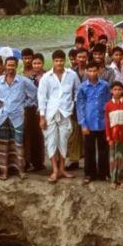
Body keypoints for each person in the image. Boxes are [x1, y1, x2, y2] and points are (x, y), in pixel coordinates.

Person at [0, 57, 34, 180]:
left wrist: (23, 105)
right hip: (2, 117)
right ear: (5, 66)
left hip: (17, 117)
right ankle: (4, 170)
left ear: (16, 66)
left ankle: (20, 170)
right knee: (2, 144)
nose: (10, 68)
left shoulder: (23, 81)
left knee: (18, 143)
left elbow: (34, 95)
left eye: (13, 65)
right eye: (8, 65)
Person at [38, 50, 81, 184]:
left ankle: (62, 168)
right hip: (50, 113)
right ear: (53, 61)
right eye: (56, 61)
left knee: (63, 141)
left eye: (61, 60)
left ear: (65, 61)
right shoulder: (46, 77)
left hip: (66, 112)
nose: (59, 63)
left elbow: (78, 91)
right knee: (51, 141)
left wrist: (72, 104)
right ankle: (55, 170)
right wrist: (42, 117)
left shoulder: (72, 75)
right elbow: (42, 97)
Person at [75, 61, 111, 183]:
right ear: (86, 71)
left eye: (94, 70)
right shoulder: (82, 87)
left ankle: (104, 173)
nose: (92, 73)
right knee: (89, 149)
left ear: (99, 71)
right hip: (89, 123)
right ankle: (89, 173)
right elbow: (80, 106)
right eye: (89, 71)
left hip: (102, 122)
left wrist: (108, 121)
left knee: (103, 149)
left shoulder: (105, 86)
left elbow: (108, 103)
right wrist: (83, 124)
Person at [104, 81, 123, 187]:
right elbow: (107, 123)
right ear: (111, 91)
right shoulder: (108, 105)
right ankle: (113, 179)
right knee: (113, 157)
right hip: (113, 136)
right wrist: (109, 138)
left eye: (119, 89)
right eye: (115, 89)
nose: (117, 92)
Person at [21, 55, 44, 172]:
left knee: (40, 136)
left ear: (43, 64)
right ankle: (27, 161)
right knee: (28, 136)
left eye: (39, 63)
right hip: (30, 109)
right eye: (34, 64)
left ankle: (39, 162)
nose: (36, 66)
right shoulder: (28, 79)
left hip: (43, 109)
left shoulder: (47, 77)